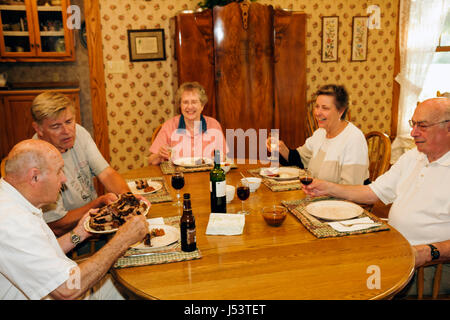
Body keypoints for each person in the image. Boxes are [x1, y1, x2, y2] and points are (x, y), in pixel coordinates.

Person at [303, 97, 450, 297]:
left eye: (422, 126)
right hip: (392, 248)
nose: (414, 132)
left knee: (352, 283)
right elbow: (373, 192)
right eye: (413, 124)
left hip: (431, 266)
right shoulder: (413, 156)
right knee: (327, 261)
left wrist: (428, 252)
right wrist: (328, 188)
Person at [0, 139, 149, 299]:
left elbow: (41, 253)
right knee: (138, 291)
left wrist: (81, 232)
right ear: (35, 177)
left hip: (67, 285)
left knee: (143, 279)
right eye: (58, 171)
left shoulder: (14, 200)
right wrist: (122, 241)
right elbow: (67, 289)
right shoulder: (12, 221)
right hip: (69, 290)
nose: (64, 179)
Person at [30, 92, 135, 237]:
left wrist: (129, 199)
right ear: (38, 129)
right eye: (55, 126)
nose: (67, 131)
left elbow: (107, 173)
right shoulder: (35, 160)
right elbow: (57, 225)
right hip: (70, 240)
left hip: (95, 221)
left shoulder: (79, 132)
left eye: (69, 121)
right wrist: (98, 204)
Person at [267, 84, 369, 185]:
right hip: (318, 194)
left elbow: (352, 188)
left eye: (325, 108)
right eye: (317, 106)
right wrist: (281, 148)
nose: (317, 113)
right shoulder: (320, 133)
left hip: (343, 200)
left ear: (340, 111)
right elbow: (300, 159)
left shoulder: (354, 139)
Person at [148, 82, 228, 165]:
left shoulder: (214, 125)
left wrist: (219, 159)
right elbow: (151, 161)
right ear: (180, 105)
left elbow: (223, 157)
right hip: (178, 176)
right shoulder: (169, 126)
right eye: (185, 102)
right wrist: (159, 155)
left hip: (206, 175)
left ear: (202, 105)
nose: (189, 107)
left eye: (194, 102)